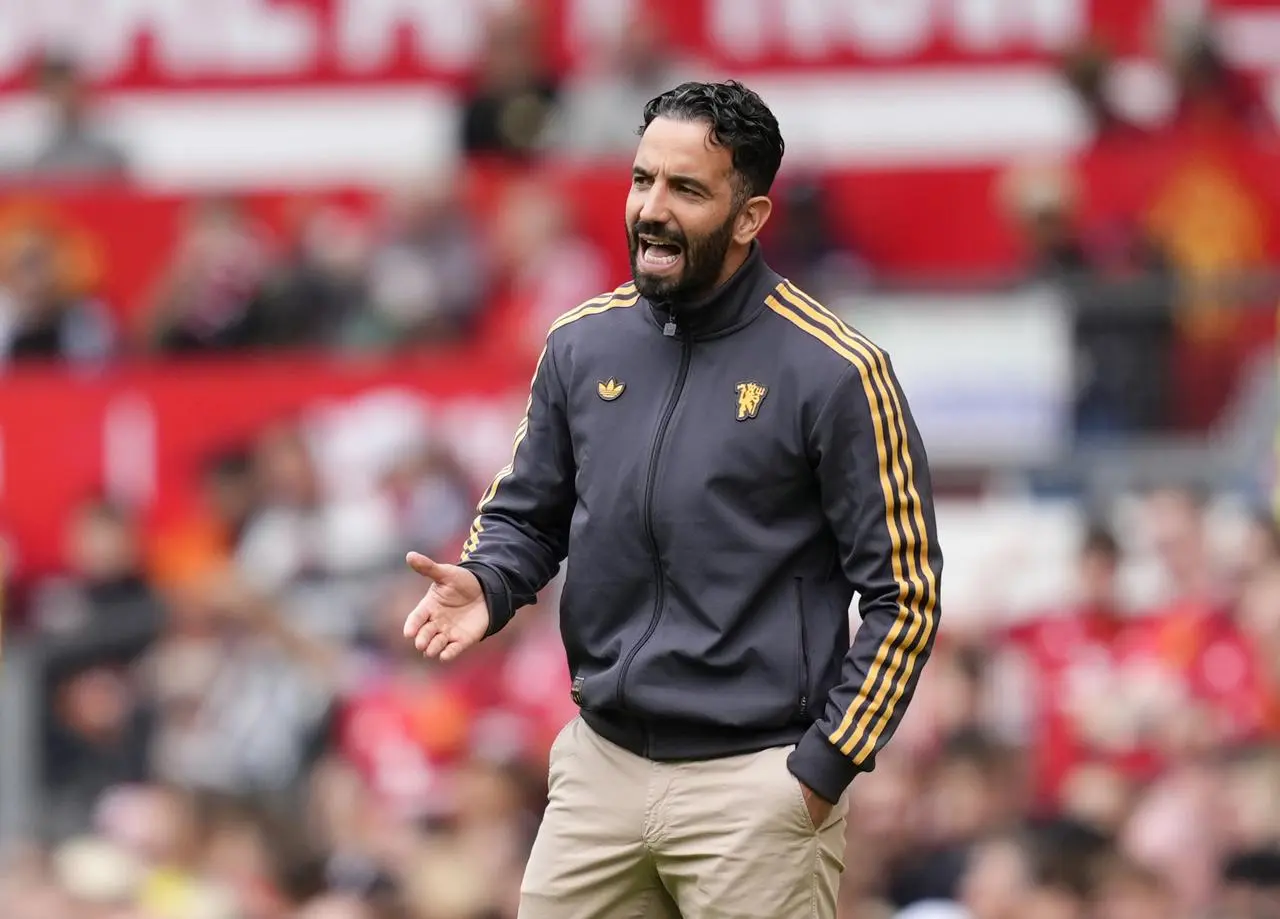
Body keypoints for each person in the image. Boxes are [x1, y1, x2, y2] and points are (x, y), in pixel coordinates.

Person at [403, 80, 943, 918]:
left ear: (751, 216)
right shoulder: (580, 344)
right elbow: (524, 515)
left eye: (686, 189)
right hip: (599, 770)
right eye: (642, 179)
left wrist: (822, 768)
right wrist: (491, 580)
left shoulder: (838, 371)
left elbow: (904, 595)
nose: (650, 209)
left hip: (755, 786)